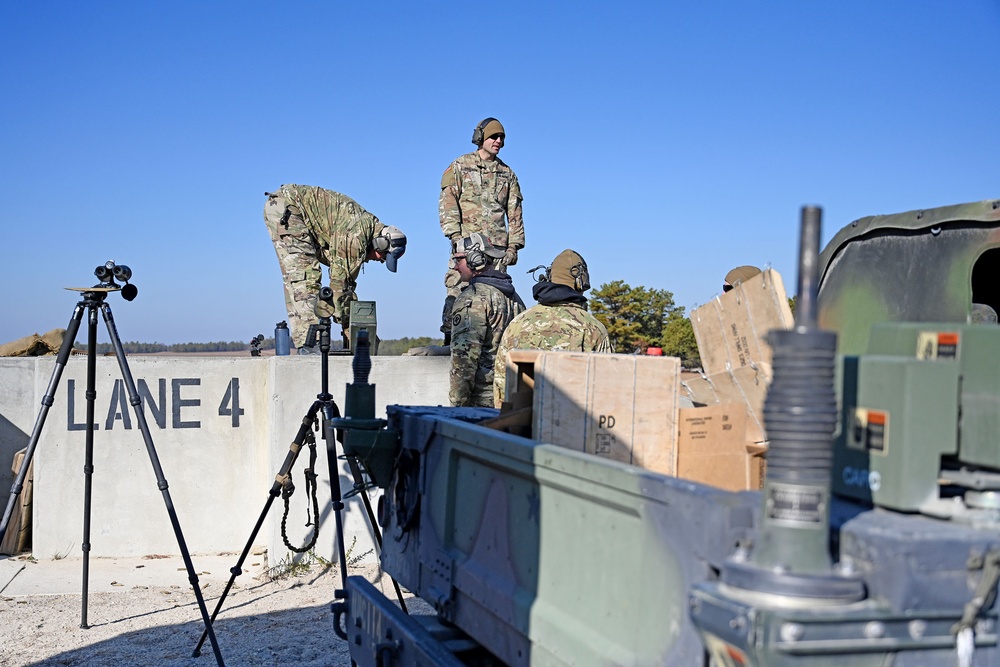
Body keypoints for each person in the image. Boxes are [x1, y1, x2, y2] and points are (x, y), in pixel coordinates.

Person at [264, 185, 406, 353]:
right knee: (305, 277)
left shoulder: (361, 230)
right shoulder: (356, 235)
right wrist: (355, 332)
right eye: (382, 256)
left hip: (286, 209)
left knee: (297, 277)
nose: (379, 261)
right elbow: (339, 290)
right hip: (290, 209)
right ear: (380, 243)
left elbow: (344, 286)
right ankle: (311, 345)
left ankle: (307, 343)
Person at [439, 117, 525, 344]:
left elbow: (514, 211)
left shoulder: (507, 174)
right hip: (467, 246)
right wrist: (456, 237)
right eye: (493, 136)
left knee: (498, 296)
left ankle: (494, 344)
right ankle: (451, 339)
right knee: (458, 292)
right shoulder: (460, 166)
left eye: (501, 138)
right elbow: (448, 203)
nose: (498, 141)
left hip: (497, 249)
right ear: (480, 138)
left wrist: (514, 246)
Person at [493, 249, 612, 406]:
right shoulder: (593, 329)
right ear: (580, 283)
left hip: (518, 423)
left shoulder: (518, 323)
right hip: (569, 424)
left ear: (550, 278)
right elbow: (606, 388)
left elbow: (502, 384)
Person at [449, 232, 526, 408]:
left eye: (458, 260)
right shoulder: (514, 298)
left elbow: (464, 361)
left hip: (482, 402)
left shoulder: (472, 298)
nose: (455, 267)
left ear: (475, 259)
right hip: (511, 398)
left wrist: (457, 407)